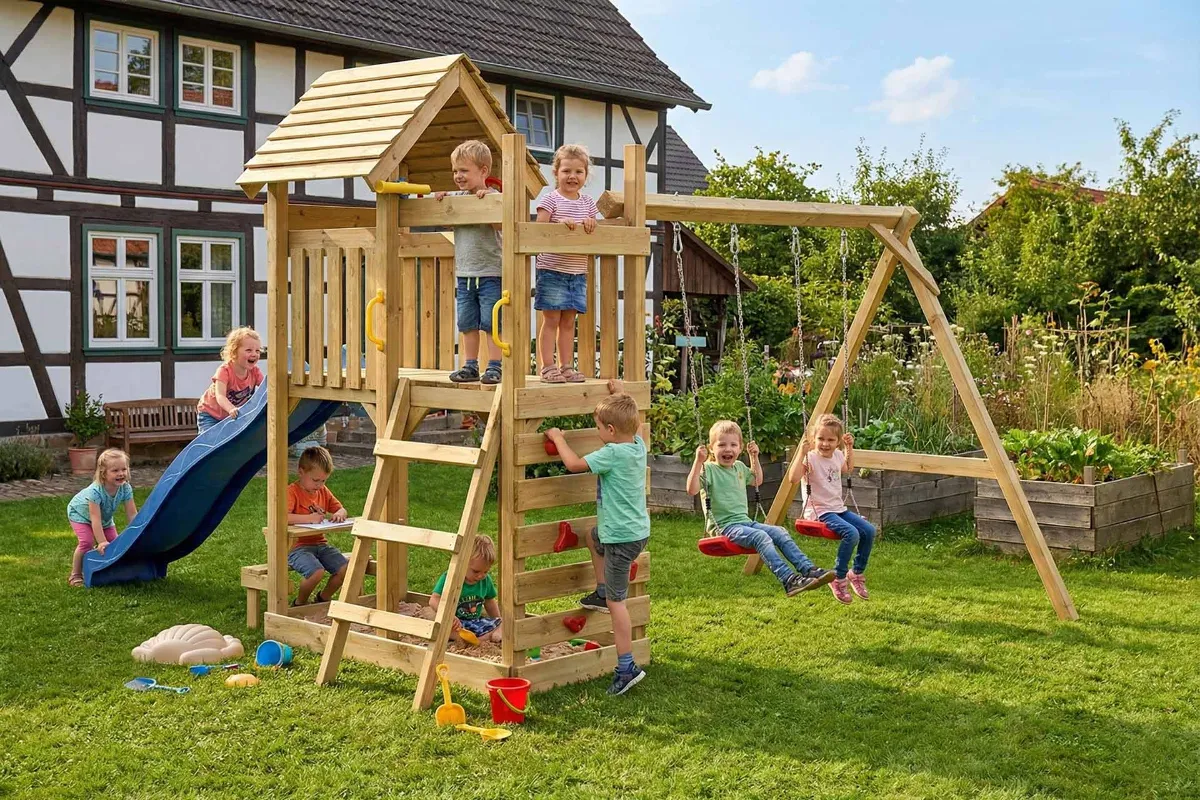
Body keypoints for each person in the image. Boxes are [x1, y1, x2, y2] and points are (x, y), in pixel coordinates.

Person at [545, 379, 648, 695]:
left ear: (611, 431)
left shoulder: (612, 453)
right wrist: (620, 395)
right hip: (634, 533)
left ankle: (626, 667)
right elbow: (635, 423)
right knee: (593, 537)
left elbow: (574, 464)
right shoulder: (637, 445)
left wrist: (558, 438)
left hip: (619, 539)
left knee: (619, 605)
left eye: (600, 428)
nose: (598, 432)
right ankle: (603, 590)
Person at [687, 421, 834, 596]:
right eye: (722, 445)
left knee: (779, 532)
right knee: (760, 536)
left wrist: (754, 458)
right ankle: (788, 580)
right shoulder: (709, 469)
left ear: (740, 448)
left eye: (733, 445)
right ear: (711, 448)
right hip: (725, 527)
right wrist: (698, 461)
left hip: (745, 523)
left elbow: (757, 480)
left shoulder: (739, 467)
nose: (728, 449)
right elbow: (692, 489)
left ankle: (808, 569)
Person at [434, 140, 504, 385]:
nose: (458, 176)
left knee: (491, 322)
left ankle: (494, 366)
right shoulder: (457, 198)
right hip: (465, 274)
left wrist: (488, 203)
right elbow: (446, 221)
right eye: (455, 171)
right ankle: (470, 365)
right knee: (466, 322)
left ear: (483, 171)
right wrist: (443, 200)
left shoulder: (494, 196)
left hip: (490, 273)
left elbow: (500, 224)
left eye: (464, 170)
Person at [789, 413, 876, 604]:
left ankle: (856, 573)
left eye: (831, 440)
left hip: (838, 508)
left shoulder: (837, 455)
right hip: (819, 511)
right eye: (821, 439)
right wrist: (801, 453)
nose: (825, 444)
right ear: (814, 439)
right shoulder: (810, 458)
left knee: (869, 530)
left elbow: (847, 468)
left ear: (838, 442)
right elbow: (793, 479)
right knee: (852, 534)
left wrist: (849, 448)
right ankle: (838, 577)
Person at [535, 143, 598, 384]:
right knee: (551, 320)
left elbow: (594, 228)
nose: (572, 176)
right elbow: (539, 229)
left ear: (585, 174)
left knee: (569, 322)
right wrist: (559, 226)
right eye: (566, 171)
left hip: (577, 272)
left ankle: (566, 366)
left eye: (578, 172)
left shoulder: (588, 203)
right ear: (556, 173)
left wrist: (592, 224)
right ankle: (547, 367)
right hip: (552, 269)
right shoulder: (551, 199)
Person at [285, 446, 349, 606]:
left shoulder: (323, 491)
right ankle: (300, 603)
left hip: (320, 544)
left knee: (346, 569)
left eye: (323, 480)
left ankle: (322, 599)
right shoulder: (291, 492)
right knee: (316, 572)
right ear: (301, 472)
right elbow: (283, 517)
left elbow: (341, 509)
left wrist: (340, 513)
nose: (319, 485)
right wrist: (309, 519)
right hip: (296, 547)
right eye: (315, 480)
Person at [66, 448, 137, 587]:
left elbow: (132, 514)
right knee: (86, 542)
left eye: (124, 469)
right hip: (80, 514)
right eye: (115, 470)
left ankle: (109, 570)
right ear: (103, 473)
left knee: (115, 544)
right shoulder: (95, 491)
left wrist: (137, 532)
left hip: (104, 518)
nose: (121, 473)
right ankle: (76, 575)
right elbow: (95, 519)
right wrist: (102, 541)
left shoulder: (125, 488)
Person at [430, 535, 502, 643]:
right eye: (476, 571)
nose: (481, 576)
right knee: (442, 627)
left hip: (475, 622)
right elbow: (434, 600)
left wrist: (498, 620)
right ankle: (474, 639)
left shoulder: (485, 581)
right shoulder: (450, 578)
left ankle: (474, 639)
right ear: (463, 562)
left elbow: (490, 602)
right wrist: (449, 616)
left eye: (485, 571)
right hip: (455, 623)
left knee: (503, 623)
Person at [197, 327, 263, 432]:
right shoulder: (224, 371)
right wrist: (231, 408)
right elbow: (220, 396)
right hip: (211, 414)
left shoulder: (255, 372)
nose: (254, 354)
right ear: (234, 352)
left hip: (232, 416)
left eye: (257, 351)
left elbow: (267, 388)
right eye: (249, 350)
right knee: (211, 438)